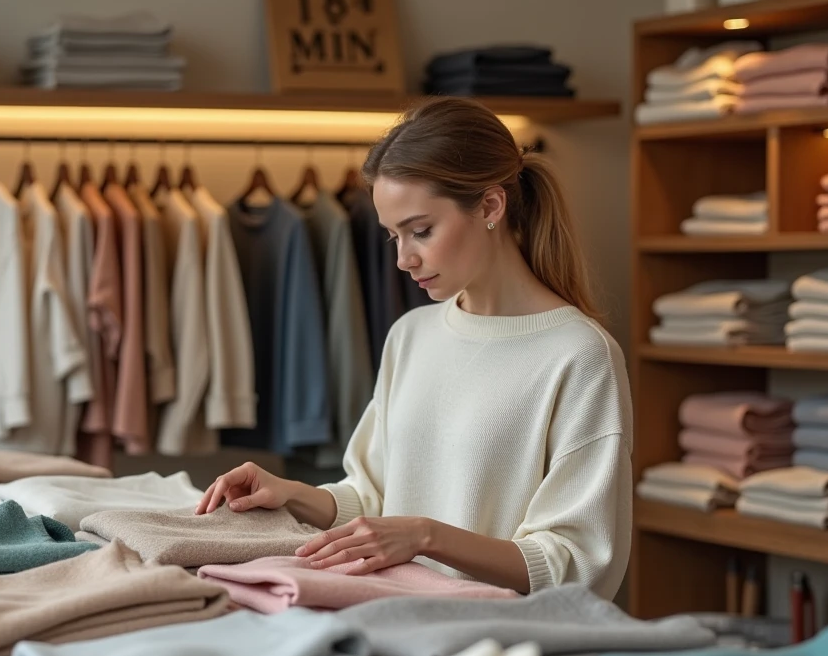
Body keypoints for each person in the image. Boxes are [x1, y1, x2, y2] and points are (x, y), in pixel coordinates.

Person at [196, 97, 632, 599]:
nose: (404, 259)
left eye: (421, 231)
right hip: (389, 613)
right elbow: (373, 499)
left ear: (491, 207)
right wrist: (291, 493)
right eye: (392, 237)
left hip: (497, 632)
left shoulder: (580, 355)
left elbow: (578, 563)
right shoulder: (411, 334)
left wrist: (427, 537)